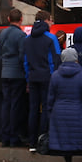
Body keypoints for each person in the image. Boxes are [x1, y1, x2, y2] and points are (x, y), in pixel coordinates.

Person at [22, 11, 60, 152]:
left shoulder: (27, 39)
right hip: (47, 78)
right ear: (46, 21)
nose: (52, 23)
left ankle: (31, 143)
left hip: (32, 77)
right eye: (51, 20)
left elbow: (25, 62)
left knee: (33, 109)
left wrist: (27, 78)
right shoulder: (51, 38)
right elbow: (55, 60)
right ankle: (43, 141)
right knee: (46, 108)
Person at [0, 8, 28, 148]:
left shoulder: (2, 33)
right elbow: (22, 56)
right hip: (17, 74)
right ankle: (14, 138)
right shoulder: (21, 35)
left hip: (5, 73)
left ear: (9, 19)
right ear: (21, 19)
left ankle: (5, 137)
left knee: (6, 105)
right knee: (16, 106)